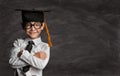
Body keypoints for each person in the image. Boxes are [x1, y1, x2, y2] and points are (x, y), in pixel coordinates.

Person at [9, 8, 52, 76]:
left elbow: (41, 65)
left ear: (42, 26)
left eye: (37, 25)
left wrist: (22, 54)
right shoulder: (18, 43)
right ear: (23, 26)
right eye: (28, 25)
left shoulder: (44, 46)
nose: (32, 28)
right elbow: (12, 63)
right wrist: (35, 56)